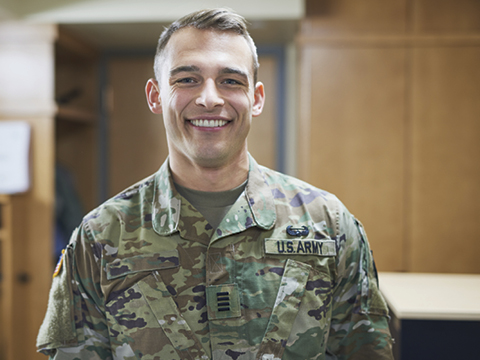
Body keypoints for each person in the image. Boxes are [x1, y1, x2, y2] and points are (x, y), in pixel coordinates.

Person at [37, 8, 394, 360]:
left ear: (256, 99)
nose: (210, 98)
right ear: (155, 96)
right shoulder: (100, 236)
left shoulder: (327, 224)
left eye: (230, 80)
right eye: (187, 79)